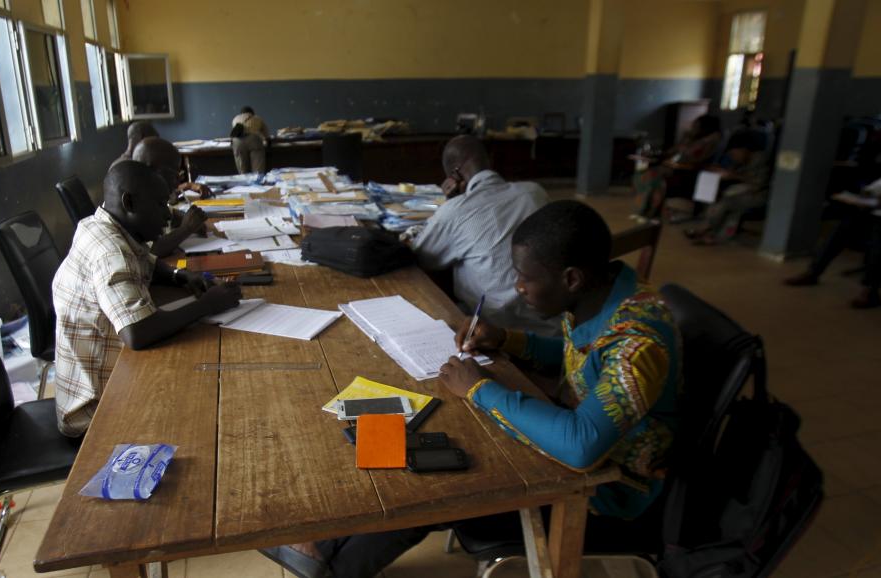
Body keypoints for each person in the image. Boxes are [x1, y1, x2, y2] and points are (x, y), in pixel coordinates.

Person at [260, 201, 682, 578]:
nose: (517, 286)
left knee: (438, 478)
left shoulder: (636, 343)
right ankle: (324, 548)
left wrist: (480, 388)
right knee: (427, 444)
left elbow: (582, 446)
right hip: (569, 439)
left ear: (571, 278)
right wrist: (510, 340)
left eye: (524, 278)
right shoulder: (600, 295)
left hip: (608, 492)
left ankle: (329, 565)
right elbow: (583, 361)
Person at [52, 161, 241, 437]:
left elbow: (146, 261)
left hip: (105, 378)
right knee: (212, 403)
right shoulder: (110, 252)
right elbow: (137, 332)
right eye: (160, 204)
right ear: (129, 202)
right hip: (93, 409)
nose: (167, 216)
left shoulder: (99, 225)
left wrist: (179, 276)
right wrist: (207, 304)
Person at [411, 135, 557, 335]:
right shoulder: (534, 192)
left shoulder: (455, 211)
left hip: (496, 332)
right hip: (552, 327)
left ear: (454, 176)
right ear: (490, 161)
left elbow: (422, 256)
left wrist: (451, 203)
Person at [784, 177, 881, 309]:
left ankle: (870, 290)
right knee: (841, 230)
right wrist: (866, 194)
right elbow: (872, 189)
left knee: (877, 244)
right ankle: (813, 272)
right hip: (870, 211)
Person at [682, 130, 771, 245]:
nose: (733, 157)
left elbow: (759, 183)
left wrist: (733, 175)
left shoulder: (760, 159)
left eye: (735, 154)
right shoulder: (741, 161)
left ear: (744, 149)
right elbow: (733, 172)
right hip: (742, 192)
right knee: (719, 198)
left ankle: (706, 230)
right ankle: (711, 232)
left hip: (758, 195)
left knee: (726, 203)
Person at [633, 114, 722, 221]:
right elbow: (673, 151)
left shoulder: (708, 141)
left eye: (696, 126)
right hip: (674, 167)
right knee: (643, 176)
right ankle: (646, 209)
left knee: (652, 177)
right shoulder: (692, 139)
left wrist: (685, 145)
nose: (693, 128)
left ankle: (649, 210)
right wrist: (684, 140)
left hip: (686, 171)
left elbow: (691, 156)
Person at [132, 137, 209, 258]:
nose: (178, 182)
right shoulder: (134, 202)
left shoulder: (151, 193)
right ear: (152, 169)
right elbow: (149, 251)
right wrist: (186, 229)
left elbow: (167, 213)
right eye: (174, 174)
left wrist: (185, 218)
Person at [230, 106, 270, 174]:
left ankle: (244, 181)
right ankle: (257, 181)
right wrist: (267, 141)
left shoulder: (235, 119)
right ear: (252, 112)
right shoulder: (257, 118)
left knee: (242, 168)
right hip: (254, 140)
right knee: (258, 168)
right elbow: (266, 134)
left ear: (241, 113)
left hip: (237, 141)